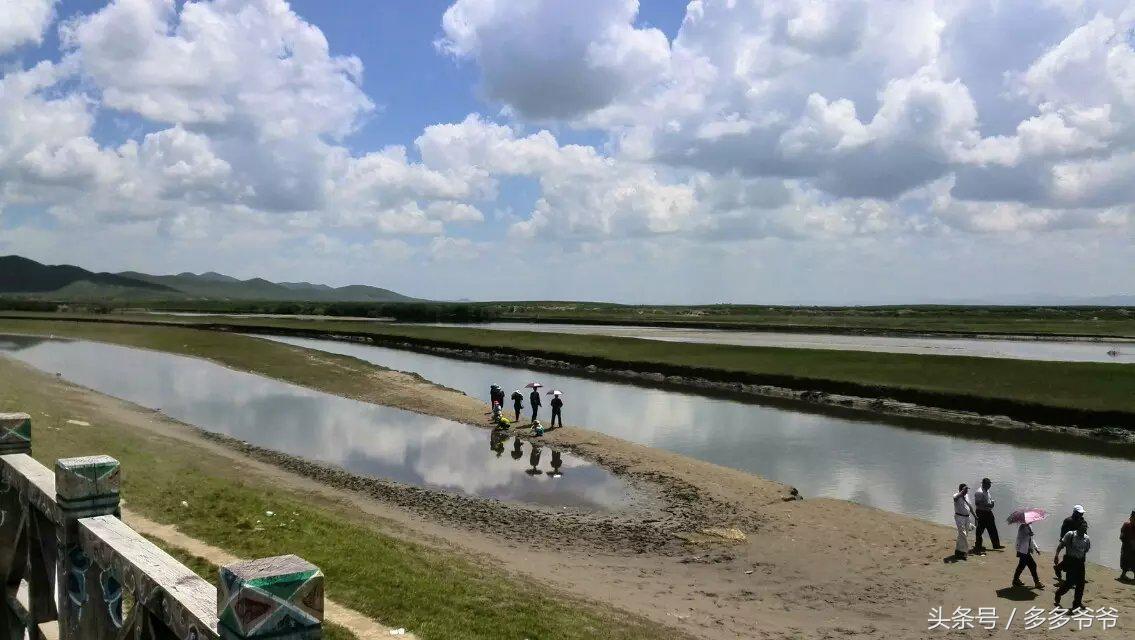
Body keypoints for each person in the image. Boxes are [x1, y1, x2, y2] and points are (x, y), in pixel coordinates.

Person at [1053, 520, 1091, 611]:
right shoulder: (1070, 535)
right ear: (1078, 527)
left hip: (1080, 563)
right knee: (1069, 583)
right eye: (1082, 527)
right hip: (1071, 561)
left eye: (1086, 527)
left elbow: (1085, 551)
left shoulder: (1087, 538)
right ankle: (1058, 593)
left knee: (1081, 584)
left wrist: (1082, 560)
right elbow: (1061, 545)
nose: (1084, 529)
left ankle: (1077, 603)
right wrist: (1056, 555)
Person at [1055, 505, 1087, 580]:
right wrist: (1063, 541)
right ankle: (1074, 576)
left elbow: (1085, 532)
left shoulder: (1083, 521)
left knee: (1080, 558)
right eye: (1079, 513)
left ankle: (1059, 568)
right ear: (1075, 513)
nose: (1081, 515)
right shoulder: (1068, 521)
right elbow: (1063, 532)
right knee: (1071, 558)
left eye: (1082, 513)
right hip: (1070, 543)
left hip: (1081, 542)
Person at [972, 478, 1002, 553]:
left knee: (993, 528)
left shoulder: (986, 490)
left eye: (990, 484)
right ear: (984, 484)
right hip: (981, 512)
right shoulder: (979, 492)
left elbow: (986, 500)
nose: (990, 485)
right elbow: (977, 503)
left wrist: (991, 503)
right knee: (980, 529)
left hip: (988, 512)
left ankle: (996, 545)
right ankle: (978, 545)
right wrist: (989, 505)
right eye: (989, 484)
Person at [1012, 522, 1044, 589]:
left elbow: (1032, 540)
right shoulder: (1022, 527)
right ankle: (1037, 582)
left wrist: (1036, 548)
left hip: (1027, 551)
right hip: (1023, 550)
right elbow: (1020, 538)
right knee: (1031, 565)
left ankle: (1015, 580)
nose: (1032, 521)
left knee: (1024, 565)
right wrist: (1028, 535)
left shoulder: (1030, 526)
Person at [952, 483, 977, 560]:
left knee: (963, 535)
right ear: (961, 489)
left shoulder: (967, 496)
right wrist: (962, 493)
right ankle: (965, 551)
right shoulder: (956, 495)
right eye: (965, 490)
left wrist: (975, 516)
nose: (966, 491)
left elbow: (970, 507)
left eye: (967, 490)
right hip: (959, 517)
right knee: (963, 533)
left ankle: (958, 551)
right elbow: (955, 499)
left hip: (967, 518)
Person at [1120, 510, 1135, 580]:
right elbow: (1121, 537)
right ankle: (1123, 575)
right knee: (1125, 561)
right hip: (1127, 547)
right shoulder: (1126, 525)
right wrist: (1129, 542)